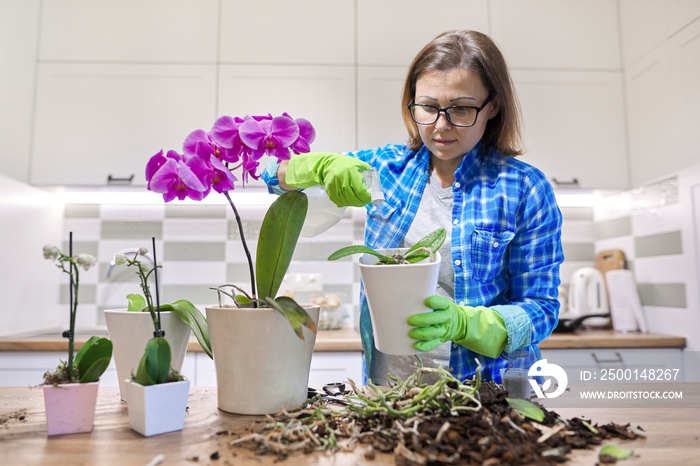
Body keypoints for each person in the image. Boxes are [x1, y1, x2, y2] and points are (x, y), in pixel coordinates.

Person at [262, 30, 564, 385]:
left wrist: (469, 325)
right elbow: (268, 172)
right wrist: (319, 166)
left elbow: (542, 309)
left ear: (493, 106)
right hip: (390, 393)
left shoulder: (525, 188)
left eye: (461, 109)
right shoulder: (385, 171)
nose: (440, 126)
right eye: (428, 107)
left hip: (487, 393)